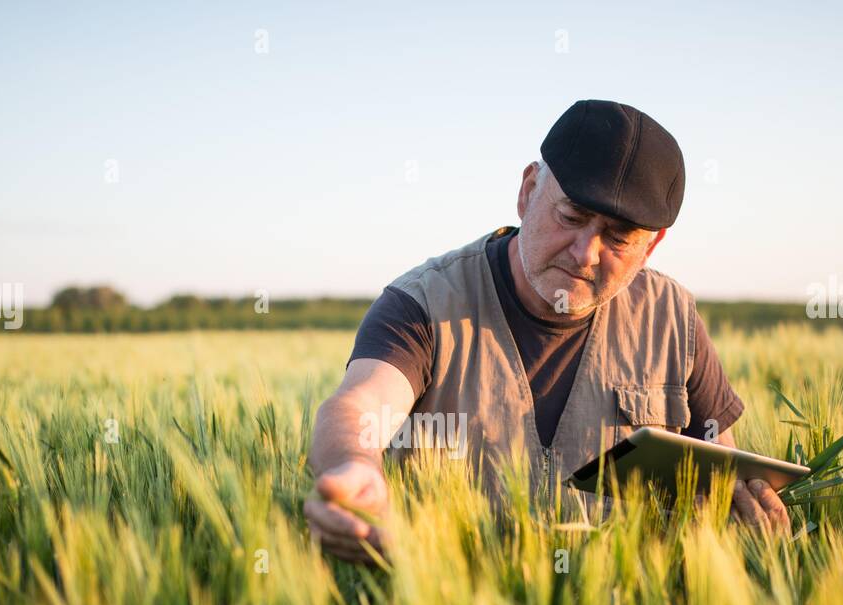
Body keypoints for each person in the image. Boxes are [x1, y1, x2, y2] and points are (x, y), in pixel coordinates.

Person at [306, 99, 790, 565]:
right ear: (528, 190)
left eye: (619, 238)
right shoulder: (424, 304)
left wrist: (749, 519)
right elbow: (360, 407)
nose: (585, 253)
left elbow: (721, 466)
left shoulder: (673, 320)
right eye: (571, 217)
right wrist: (355, 467)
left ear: (652, 246)